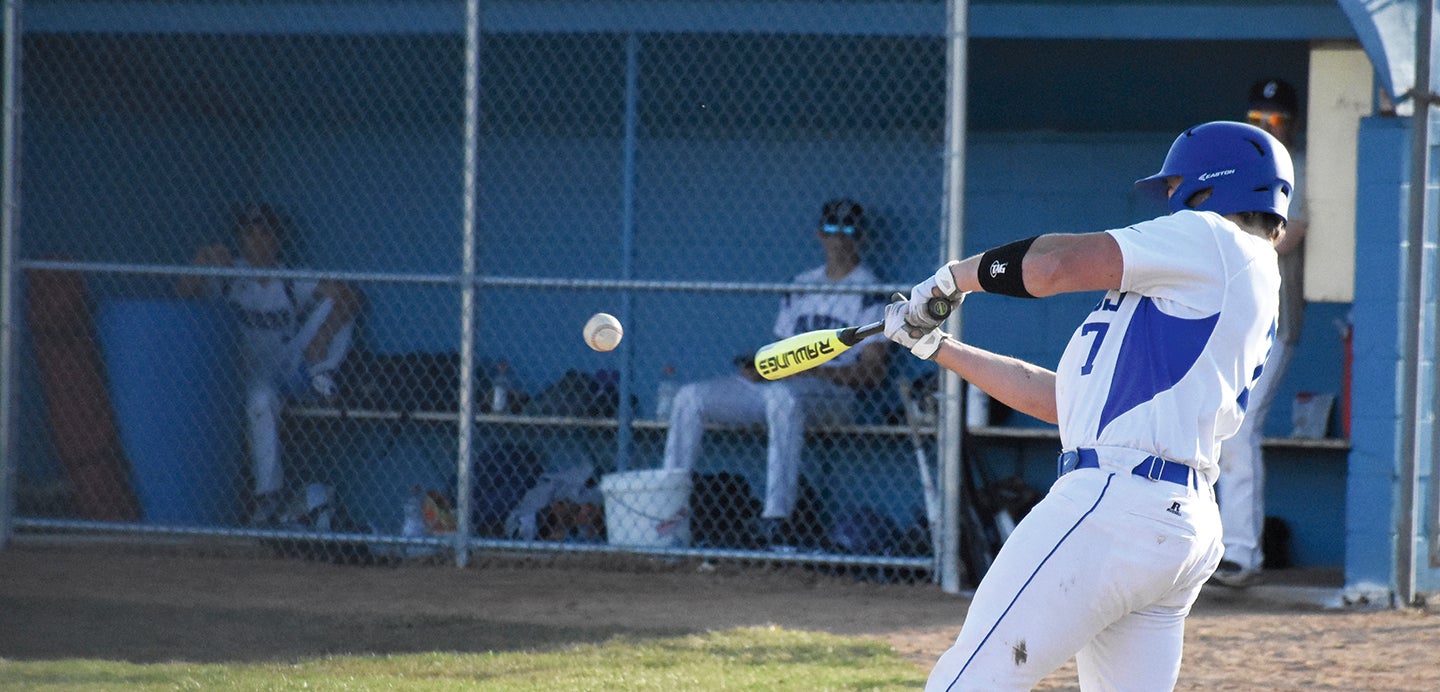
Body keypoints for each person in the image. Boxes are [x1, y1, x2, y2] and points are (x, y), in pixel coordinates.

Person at [885, 121, 1293, 690]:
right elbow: (1064, 403)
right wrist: (938, 346)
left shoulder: (1214, 239)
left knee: (968, 681)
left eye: (1179, 188)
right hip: (1175, 524)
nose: (1172, 202)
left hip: (1115, 506)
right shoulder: (1226, 277)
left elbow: (1052, 265)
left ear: (1209, 188)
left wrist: (952, 281)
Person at [661, 198, 889, 548]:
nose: (839, 238)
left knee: (783, 399)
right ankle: (668, 509)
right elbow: (781, 352)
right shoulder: (802, 283)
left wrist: (815, 369)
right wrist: (761, 366)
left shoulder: (871, 290)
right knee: (690, 398)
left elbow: (872, 374)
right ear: (819, 234)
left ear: (861, 236)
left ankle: (776, 519)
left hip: (833, 394)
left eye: (849, 229)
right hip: (783, 384)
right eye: (832, 229)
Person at [177, 204, 363, 526]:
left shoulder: (289, 279)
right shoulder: (228, 274)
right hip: (238, 373)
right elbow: (180, 295)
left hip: (288, 368)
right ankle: (268, 501)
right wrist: (203, 262)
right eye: (250, 233)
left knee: (338, 304)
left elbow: (349, 295)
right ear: (240, 239)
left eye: (265, 233)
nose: (258, 240)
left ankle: (322, 374)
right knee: (260, 398)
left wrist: (322, 335)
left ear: (276, 239)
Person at [1211, 78, 1308, 587]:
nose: (1267, 128)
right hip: (1233, 320)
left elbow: (1286, 237)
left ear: (1291, 123)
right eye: (1257, 119)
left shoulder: (1299, 169)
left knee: (1240, 429)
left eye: (1276, 120)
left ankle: (1243, 555)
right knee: (1220, 426)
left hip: (1276, 322)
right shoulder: (1236, 169)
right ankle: (1222, 550)